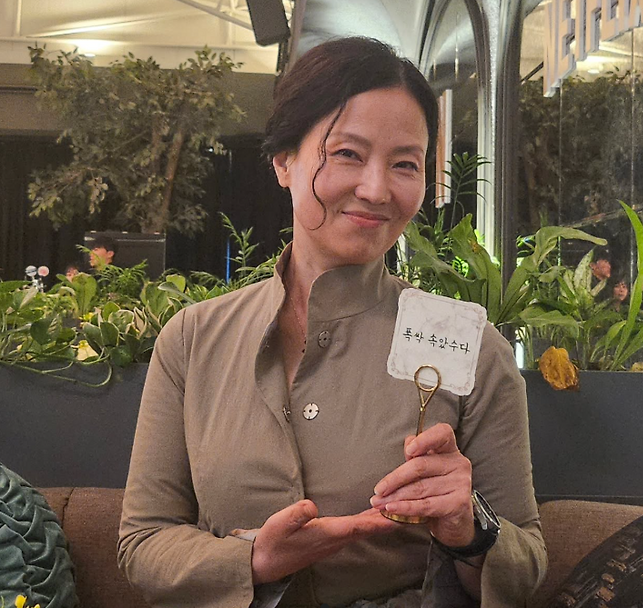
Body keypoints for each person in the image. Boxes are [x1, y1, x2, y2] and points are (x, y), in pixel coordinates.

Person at [118, 37, 546, 607]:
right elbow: (143, 542)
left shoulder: (469, 344)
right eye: (347, 153)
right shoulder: (194, 339)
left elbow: (526, 567)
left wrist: (469, 529)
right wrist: (252, 560)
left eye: (405, 164)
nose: (376, 189)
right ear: (284, 161)